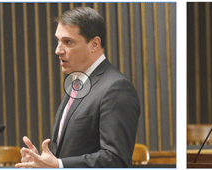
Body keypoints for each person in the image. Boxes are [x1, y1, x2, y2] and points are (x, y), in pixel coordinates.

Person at [15, 7, 140, 168]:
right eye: (58, 41)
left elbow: (116, 159)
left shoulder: (116, 88)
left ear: (94, 44)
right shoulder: (78, 82)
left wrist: (59, 164)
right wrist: (42, 163)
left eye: (67, 42)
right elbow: (69, 153)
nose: (58, 50)